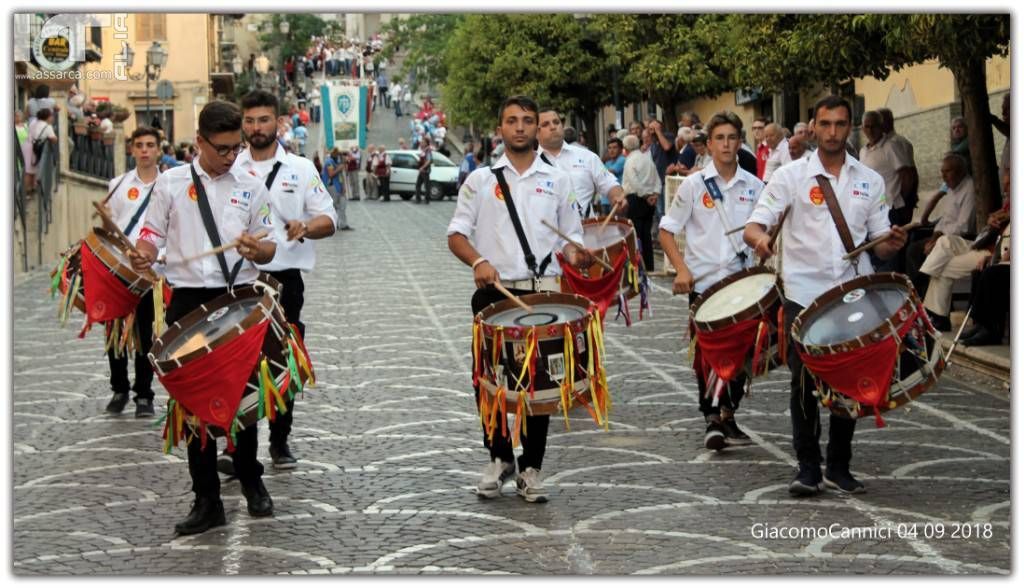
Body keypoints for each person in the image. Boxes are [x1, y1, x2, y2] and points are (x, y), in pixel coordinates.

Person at [744, 96, 907, 496]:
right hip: (803, 292)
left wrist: (892, 243)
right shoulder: (789, 177)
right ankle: (807, 467)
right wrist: (763, 240)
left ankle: (839, 464)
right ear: (813, 128)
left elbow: (878, 243)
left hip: (852, 292)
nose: (833, 132)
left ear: (849, 127)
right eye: (825, 124)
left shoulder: (869, 179)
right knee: (803, 381)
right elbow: (754, 225)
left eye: (840, 124)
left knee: (849, 378)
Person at [129, 100, 279, 534]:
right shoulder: (170, 184)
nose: (232, 156)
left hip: (237, 301)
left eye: (237, 148)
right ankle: (206, 499)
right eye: (223, 149)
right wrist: (143, 256)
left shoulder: (250, 184)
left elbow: (269, 243)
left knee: (244, 398)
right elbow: (150, 235)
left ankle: (251, 479)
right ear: (199, 142)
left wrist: (259, 249)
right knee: (192, 404)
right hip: (189, 303)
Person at [447, 95, 592, 504]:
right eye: (512, 121)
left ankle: (530, 468)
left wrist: (578, 253)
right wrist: (478, 260)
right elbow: (456, 234)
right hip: (494, 293)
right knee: (489, 380)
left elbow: (573, 235)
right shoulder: (480, 180)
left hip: (544, 290)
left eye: (528, 120)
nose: (521, 127)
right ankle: (498, 457)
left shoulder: (558, 179)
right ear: (501, 129)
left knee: (539, 384)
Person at [216, 90, 338, 473]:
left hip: (285, 279)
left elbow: (328, 220)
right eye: (249, 121)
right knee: (236, 362)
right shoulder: (228, 170)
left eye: (263, 120)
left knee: (281, 360)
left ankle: (281, 438)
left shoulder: (300, 169)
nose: (256, 128)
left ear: (278, 122)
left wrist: (306, 226)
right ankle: (236, 446)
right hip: (238, 281)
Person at [659, 111, 765, 450]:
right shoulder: (693, 185)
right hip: (705, 285)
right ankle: (711, 416)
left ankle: (728, 413)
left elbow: (765, 229)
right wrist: (682, 269)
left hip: (744, 285)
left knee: (744, 352)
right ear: (709, 143)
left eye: (732, 138)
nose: (726, 144)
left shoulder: (755, 186)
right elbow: (666, 231)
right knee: (708, 353)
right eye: (719, 138)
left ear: (740, 141)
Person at [100, 127, 162, 418]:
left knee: (146, 334)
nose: (145, 150)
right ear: (132, 150)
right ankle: (120, 388)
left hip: (153, 270)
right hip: (120, 269)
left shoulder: (169, 185)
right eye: (140, 145)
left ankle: (144, 394)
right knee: (115, 332)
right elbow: (110, 228)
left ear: (159, 149)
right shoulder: (118, 184)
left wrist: (158, 257)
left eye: (150, 145)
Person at [904, 153, 976, 297]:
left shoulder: (969, 189)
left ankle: (919, 295)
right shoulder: (951, 187)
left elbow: (964, 226)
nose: (943, 177)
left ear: (960, 171)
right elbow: (946, 218)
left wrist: (937, 237)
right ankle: (919, 293)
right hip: (943, 234)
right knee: (912, 242)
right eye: (942, 172)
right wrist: (935, 234)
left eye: (947, 172)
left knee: (916, 252)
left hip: (959, 239)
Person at [537, 109, 624, 219]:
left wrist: (617, 197)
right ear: (536, 132)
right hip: (549, 234)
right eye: (546, 124)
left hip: (586, 232)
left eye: (556, 122)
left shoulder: (587, 157)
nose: (553, 127)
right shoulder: (530, 163)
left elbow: (609, 183)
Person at [621, 134, 660, 272]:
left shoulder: (630, 161)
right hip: (648, 200)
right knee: (646, 234)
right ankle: (648, 265)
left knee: (637, 234)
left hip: (636, 199)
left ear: (625, 148)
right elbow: (656, 177)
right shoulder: (647, 159)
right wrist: (655, 194)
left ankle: (639, 265)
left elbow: (633, 181)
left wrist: (645, 195)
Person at [22, 107, 58, 194]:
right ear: (47, 117)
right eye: (51, 116)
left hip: (27, 146)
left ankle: (29, 190)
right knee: (30, 171)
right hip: (35, 149)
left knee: (30, 169)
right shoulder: (48, 127)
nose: (52, 118)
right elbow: (54, 139)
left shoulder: (34, 122)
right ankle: (26, 192)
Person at [323, 147, 352, 230]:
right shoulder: (329, 162)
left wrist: (343, 187)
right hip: (332, 186)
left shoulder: (337, 162)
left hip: (339, 186)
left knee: (343, 205)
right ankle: (333, 224)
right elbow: (331, 174)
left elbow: (341, 176)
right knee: (334, 206)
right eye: (339, 155)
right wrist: (340, 167)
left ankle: (343, 224)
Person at [414, 137, 433, 204]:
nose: (421, 143)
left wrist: (422, 167)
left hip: (425, 170)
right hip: (422, 170)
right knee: (418, 185)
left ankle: (426, 199)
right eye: (421, 142)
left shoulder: (428, 151)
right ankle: (418, 199)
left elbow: (429, 161)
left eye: (423, 142)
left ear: (426, 143)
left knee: (426, 185)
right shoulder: (424, 150)